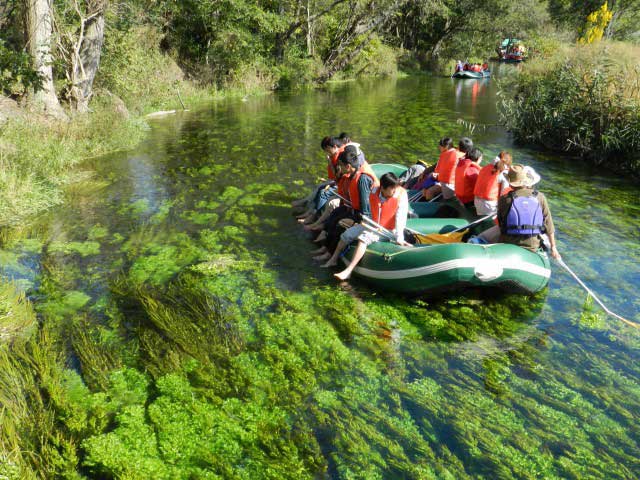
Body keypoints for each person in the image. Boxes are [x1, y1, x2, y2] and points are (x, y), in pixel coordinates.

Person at [321, 172, 411, 279]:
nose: (394, 191)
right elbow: (372, 212)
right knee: (346, 235)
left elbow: (400, 218)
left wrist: (399, 237)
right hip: (373, 225)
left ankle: (348, 271)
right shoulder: (374, 191)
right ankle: (333, 260)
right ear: (382, 188)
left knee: (364, 238)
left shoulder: (401, 196)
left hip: (389, 231)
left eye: (395, 188)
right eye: (392, 188)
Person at [496, 164, 560, 259]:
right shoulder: (540, 197)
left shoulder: (504, 199)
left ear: (510, 182)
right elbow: (549, 225)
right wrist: (553, 248)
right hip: (532, 246)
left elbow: (500, 223)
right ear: (525, 181)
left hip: (508, 243)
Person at [473, 151, 512, 216]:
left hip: (476, 201)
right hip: (489, 206)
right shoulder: (503, 173)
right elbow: (503, 195)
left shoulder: (485, 167)